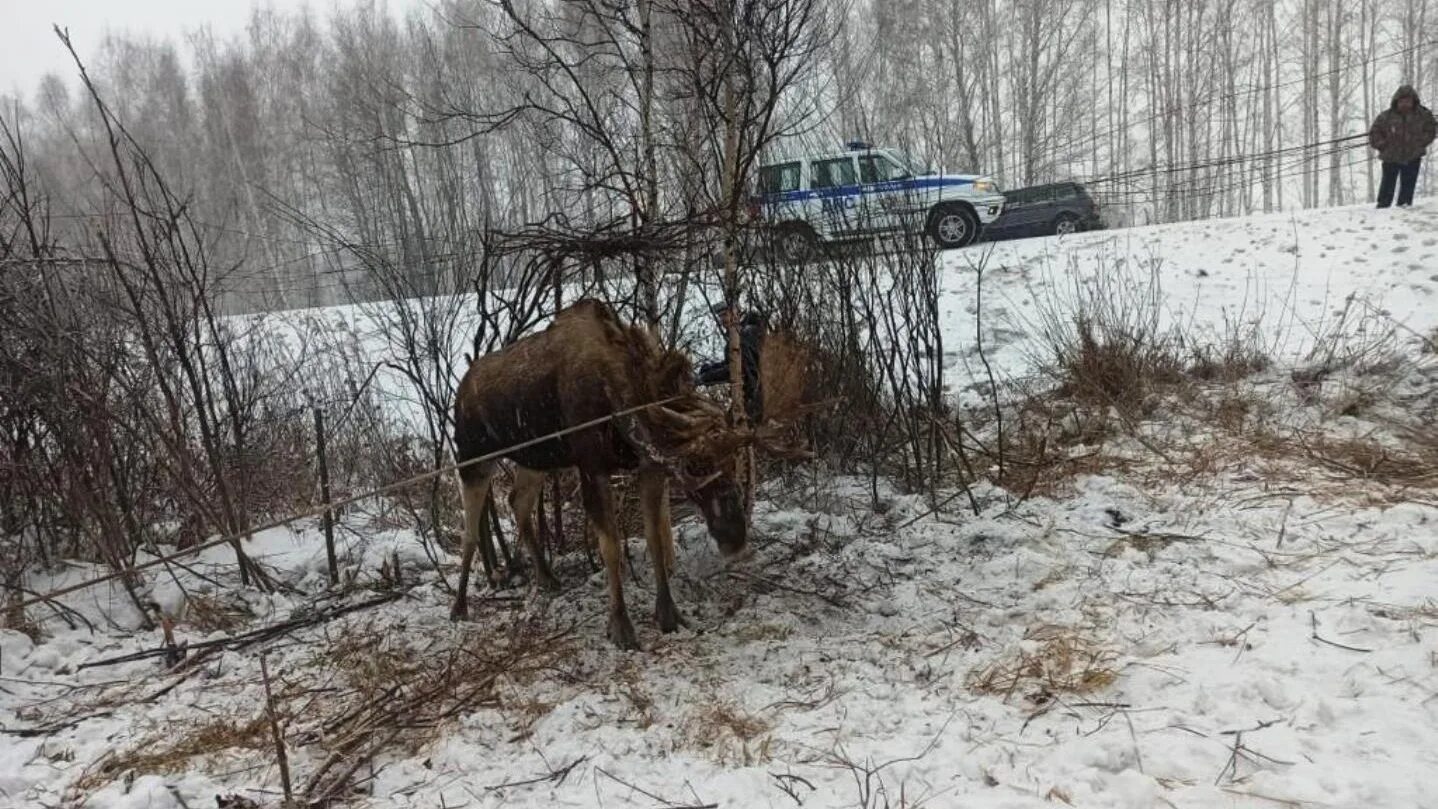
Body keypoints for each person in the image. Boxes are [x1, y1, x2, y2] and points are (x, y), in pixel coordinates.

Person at [1369, 84, 1437, 208]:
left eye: (1408, 101)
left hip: (1413, 156)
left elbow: (1431, 130)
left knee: (1408, 186)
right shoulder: (1385, 117)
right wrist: (1383, 145)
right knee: (1387, 185)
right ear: (1396, 101)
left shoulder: (1423, 115)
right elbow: (1374, 133)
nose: (1405, 104)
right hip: (1390, 157)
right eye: (1402, 101)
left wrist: (1420, 143)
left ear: (1413, 101)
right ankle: (1383, 207)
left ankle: (1404, 207)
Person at [695, 302, 765, 423]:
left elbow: (738, 368)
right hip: (746, 396)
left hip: (751, 397)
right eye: (720, 316)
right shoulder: (737, 337)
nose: (723, 320)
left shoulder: (744, 335)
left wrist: (705, 378)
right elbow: (732, 363)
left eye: (725, 314)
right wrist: (710, 369)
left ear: (736, 313)